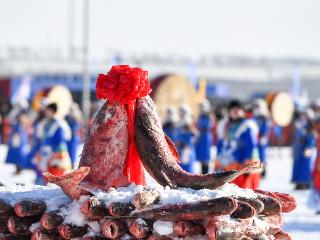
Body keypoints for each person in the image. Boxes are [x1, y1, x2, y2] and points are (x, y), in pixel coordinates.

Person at [216, 100, 260, 189]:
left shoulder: (247, 126)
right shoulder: (225, 126)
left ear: (242, 112)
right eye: (233, 110)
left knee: (242, 192)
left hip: (241, 165)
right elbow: (221, 144)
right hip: (227, 164)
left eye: (238, 110)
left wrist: (248, 163)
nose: (235, 112)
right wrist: (218, 162)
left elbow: (251, 146)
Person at [33, 103, 72, 184]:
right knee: (42, 171)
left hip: (56, 152)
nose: (46, 113)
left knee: (55, 173)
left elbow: (60, 139)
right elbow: (40, 138)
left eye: (47, 111)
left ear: (52, 111)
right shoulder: (44, 123)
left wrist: (54, 150)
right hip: (45, 150)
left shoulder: (59, 124)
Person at [292, 109, 317, 190]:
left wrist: (309, 148)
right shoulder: (301, 126)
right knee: (299, 166)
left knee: (307, 166)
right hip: (300, 150)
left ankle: (306, 183)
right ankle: (298, 182)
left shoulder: (311, 127)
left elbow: (311, 139)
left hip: (307, 149)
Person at [175, 105, 197, 173]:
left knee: (187, 166)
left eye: (182, 112)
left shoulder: (188, 123)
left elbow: (193, 135)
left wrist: (186, 144)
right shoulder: (179, 122)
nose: (181, 114)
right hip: (180, 148)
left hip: (186, 148)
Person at [253, 99, 271, 177]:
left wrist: (263, 136)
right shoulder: (255, 116)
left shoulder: (264, 117)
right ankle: (257, 169)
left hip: (261, 139)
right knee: (256, 155)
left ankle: (264, 170)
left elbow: (266, 128)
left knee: (262, 155)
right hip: (255, 138)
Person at [195, 99, 214, 174]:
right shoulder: (200, 116)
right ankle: (202, 172)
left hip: (206, 136)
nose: (201, 108)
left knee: (206, 156)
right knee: (201, 156)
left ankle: (206, 173)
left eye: (202, 107)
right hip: (201, 136)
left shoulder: (209, 116)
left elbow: (209, 125)